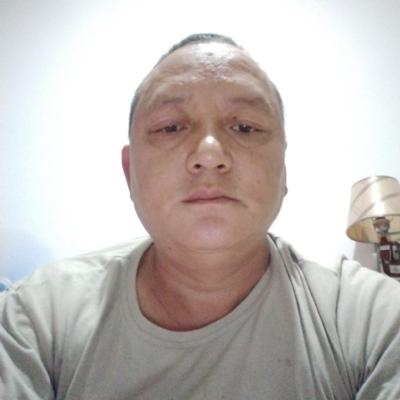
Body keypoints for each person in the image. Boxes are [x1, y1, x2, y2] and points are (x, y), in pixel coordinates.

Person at [1, 33, 400, 400]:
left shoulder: (375, 321)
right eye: (170, 127)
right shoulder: (34, 320)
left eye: (245, 127)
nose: (209, 154)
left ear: (283, 170)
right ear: (129, 171)